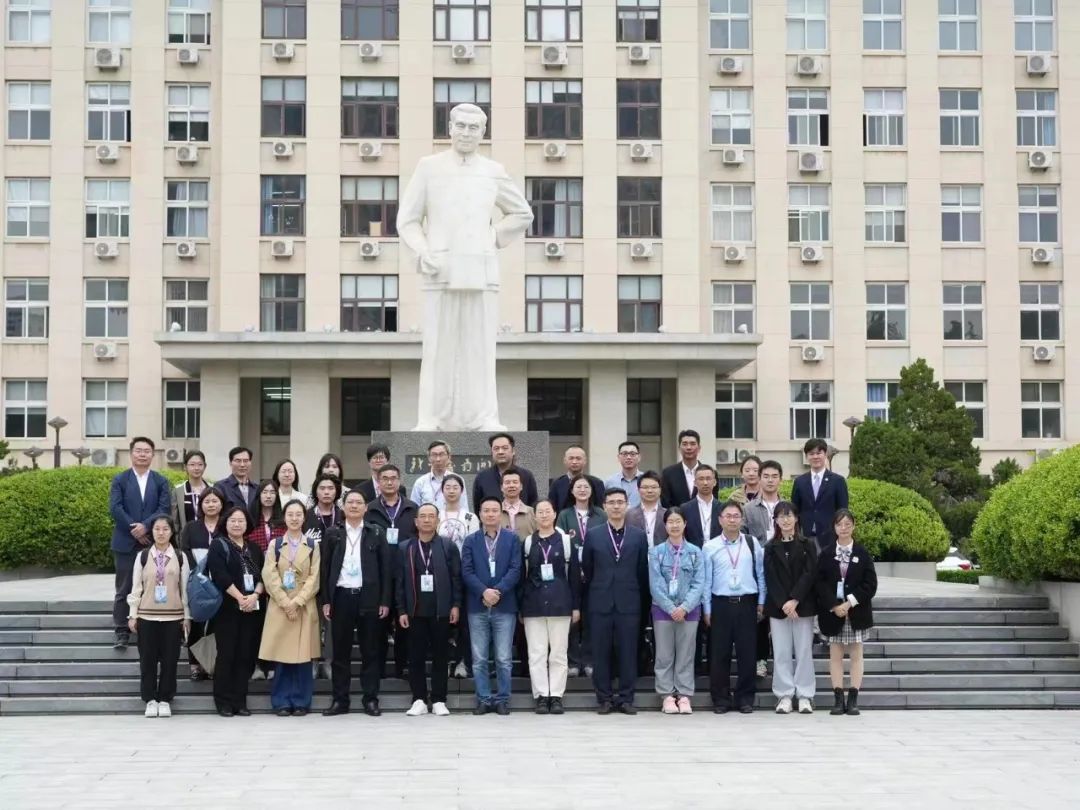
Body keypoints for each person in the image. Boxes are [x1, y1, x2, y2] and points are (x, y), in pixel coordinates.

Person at [397, 101, 533, 431]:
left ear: (483, 133)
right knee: (437, 349)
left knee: (480, 350)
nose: (467, 133)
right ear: (450, 128)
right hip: (439, 269)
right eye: (461, 126)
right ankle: (430, 419)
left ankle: (486, 418)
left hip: (481, 271)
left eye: (474, 128)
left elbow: (522, 214)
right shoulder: (429, 167)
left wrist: (491, 237)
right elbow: (408, 220)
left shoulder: (493, 171)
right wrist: (422, 249)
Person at [320, 489, 391, 717]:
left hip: (368, 597)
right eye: (349, 502)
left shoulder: (376, 533)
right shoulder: (332, 533)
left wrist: (384, 600)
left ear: (366, 508)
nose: (353, 506)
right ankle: (340, 700)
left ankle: (370, 699)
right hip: (341, 596)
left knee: (370, 651)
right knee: (340, 653)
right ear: (343, 507)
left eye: (358, 502)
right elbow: (325, 569)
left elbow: (385, 571)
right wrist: (326, 600)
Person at [582, 488, 649, 714]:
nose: (616, 506)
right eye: (612, 502)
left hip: (629, 602)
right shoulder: (594, 534)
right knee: (601, 653)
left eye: (621, 502)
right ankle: (604, 698)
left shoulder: (638, 535)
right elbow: (588, 569)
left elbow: (642, 571)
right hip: (600, 601)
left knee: (628, 652)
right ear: (605, 506)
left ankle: (626, 698)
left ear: (627, 505)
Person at [397, 503, 462, 716]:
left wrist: (455, 605)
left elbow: (456, 578)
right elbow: (399, 581)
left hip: (440, 610)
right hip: (415, 611)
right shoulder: (405, 547)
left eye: (431, 516)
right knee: (415, 657)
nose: (426, 520)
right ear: (416, 522)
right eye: (422, 516)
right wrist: (401, 610)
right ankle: (418, 699)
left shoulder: (447, 546)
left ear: (437, 521)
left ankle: (439, 699)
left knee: (440, 656)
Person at [702, 500, 765, 714]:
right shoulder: (710, 547)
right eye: (727, 516)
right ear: (720, 520)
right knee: (719, 654)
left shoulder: (751, 543)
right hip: (720, 604)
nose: (732, 519)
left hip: (747, 602)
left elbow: (761, 574)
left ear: (742, 519)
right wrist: (707, 609)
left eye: (736, 516)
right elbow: (706, 581)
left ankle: (745, 698)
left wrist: (761, 601)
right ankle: (720, 699)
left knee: (748, 653)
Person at [259, 500, 321, 716]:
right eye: (290, 514)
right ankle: (282, 701)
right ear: (284, 517)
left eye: (298, 514)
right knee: (282, 657)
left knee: (303, 658)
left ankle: (302, 701)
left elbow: (315, 578)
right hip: (280, 607)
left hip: (304, 607)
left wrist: (298, 602)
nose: (294, 518)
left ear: (304, 518)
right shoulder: (275, 545)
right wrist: (286, 602)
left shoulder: (313, 545)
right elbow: (269, 575)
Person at [461, 497, 522, 715]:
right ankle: (484, 698)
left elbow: (516, 569)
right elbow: (466, 571)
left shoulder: (512, 539)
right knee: (479, 658)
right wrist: (484, 591)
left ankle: (503, 699)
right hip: (477, 606)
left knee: (504, 658)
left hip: (504, 606)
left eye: (494, 510)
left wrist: (498, 591)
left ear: (501, 513)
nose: (490, 514)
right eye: (486, 510)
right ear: (480, 513)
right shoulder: (471, 540)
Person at [109, 437, 171, 649]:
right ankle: (121, 630)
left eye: (147, 451)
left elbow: (163, 508)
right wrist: (134, 530)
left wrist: (146, 526)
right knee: (124, 587)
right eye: (138, 450)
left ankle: (148, 626)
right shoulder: (120, 479)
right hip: (125, 542)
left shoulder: (160, 481)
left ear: (153, 455)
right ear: (131, 453)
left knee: (153, 584)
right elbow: (116, 508)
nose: (142, 454)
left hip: (151, 542)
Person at [127, 515, 191, 718]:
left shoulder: (180, 556)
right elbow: (136, 587)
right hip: (146, 616)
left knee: (170, 660)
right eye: (157, 529)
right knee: (147, 660)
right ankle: (150, 699)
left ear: (172, 532)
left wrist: (187, 617)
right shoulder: (143, 556)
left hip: (173, 617)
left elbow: (185, 590)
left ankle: (165, 699)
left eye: (165, 529)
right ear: (151, 532)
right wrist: (132, 614)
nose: (161, 533)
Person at [520, 500, 579, 714]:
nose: (544, 515)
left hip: (560, 603)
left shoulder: (564, 541)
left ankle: (556, 695)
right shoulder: (528, 543)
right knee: (536, 653)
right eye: (540, 512)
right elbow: (522, 577)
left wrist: (576, 607)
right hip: (533, 605)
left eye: (548, 511)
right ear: (534, 516)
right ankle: (541, 696)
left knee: (558, 653)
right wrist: (521, 608)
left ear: (555, 514)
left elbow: (574, 576)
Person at [817, 509, 877, 717]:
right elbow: (820, 584)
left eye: (847, 524)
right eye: (839, 524)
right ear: (834, 527)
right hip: (833, 613)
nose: (843, 528)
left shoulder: (862, 553)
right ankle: (837, 697)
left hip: (856, 611)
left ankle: (853, 698)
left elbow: (870, 584)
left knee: (856, 655)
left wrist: (849, 603)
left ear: (853, 526)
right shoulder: (825, 553)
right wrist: (834, 605)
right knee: (835, 654)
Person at [207, 506, 265, 717]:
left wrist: (254, 596)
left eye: (241, 521)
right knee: (227, 655)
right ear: (225, 523)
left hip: (253, 609)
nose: (237, 524)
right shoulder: (219, 545)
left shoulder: (255, 548)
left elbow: (263, 577)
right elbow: (220, 576)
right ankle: (223, 701)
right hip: (228, 610)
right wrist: (240, 597)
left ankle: (240, 701)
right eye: (233, 520)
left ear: (247, 524)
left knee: (245, 656)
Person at [648, 508, 706, 715]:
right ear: (665, 525)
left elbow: (699, 583)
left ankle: (683, 695)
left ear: (685, 524)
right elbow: (655, 584)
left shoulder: (695, 552)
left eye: (678, 521)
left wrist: (684, 607)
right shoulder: (656, 553)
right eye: (670, 521)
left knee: (686, 655)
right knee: (664, 655)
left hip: (689, 612)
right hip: (663, 612)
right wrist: (672, 608)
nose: (674, 525)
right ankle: (666, 695)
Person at [366, 464, 420, 679]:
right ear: (378, 482)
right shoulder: (369, 510)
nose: (389, 482)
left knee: (404, 622)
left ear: (399, 481)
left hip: (406, 573)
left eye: (393, 478)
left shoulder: (412, 508)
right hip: (377, 575)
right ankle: (377, 668)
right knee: (378, 624)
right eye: (384, 478)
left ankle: (402, 666)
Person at [764, 501, 818, 715]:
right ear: (775, 520)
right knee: (781, 652)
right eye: (781, 516)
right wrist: (784, 603)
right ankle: (784, 695)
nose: (785, 520)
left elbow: (810, 574)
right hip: (779, 609)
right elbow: (770, 578)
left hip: (802, 607)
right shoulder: (770, 547)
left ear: (796, 519)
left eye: (789, 515)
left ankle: (805, 695)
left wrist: (795, 599)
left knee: (804, 651)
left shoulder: (807, 545)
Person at [556, 475, 605, 678]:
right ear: (572, 491)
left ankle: (590, 660)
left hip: (596, 574)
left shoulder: (601, 515)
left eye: (586, 486)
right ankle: (573, 661)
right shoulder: (564, 515)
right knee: (573, 619)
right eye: (578, 486)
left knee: (592, 618)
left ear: (592, 491)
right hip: (571, 574)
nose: (582, 490)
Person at [178, 485, 226, 680]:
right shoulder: (191, 527)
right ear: (200, 504)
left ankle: (211, 664)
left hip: (220, 582)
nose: (211, 505)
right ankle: (195, 665)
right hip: (196, 580)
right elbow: (185, 551)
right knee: (197, 622)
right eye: (207, 501)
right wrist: (199, 572)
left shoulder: (226, 525)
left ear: (222, 504)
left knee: (217, 624)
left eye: (215, 501)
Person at [744, 459, 783, 678]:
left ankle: (781, 660)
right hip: (758, 570)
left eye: (774, 476)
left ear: (780, 479)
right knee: (760, 618)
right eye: (765, 476)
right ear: (759, 479)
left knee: (780, 617)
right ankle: (760, 660)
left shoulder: (787, 508)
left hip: (783, 570)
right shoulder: (749, 509)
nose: (769, 480)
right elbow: (743, 537)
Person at [438, 473, 479, 679]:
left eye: (456, 487)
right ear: (442, 491)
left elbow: (474, 548)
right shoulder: (436, 515)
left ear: (462, 491)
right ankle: (444, 660)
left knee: (464, 622)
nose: (452, 490)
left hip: (464, 576)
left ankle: (463, 661)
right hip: (440, 577)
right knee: (443, 622)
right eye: (448, 487)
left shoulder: (470, 518)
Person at [792, 438, 849, 552]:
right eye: (811, 454)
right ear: (807, 456)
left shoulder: (838, 481)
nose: (815, 457)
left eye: (819, 453)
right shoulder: (799, 481)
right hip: (805, 537)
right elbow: (794, 510)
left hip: (830, 537)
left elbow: (842, 511)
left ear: (825, 454)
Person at [472, 432, 539, 507]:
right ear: (491, 452)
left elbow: (533, 505)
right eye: (496, 448)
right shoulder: (482, 477)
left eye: (505, 448)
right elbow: (478, 508)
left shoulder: (526, 475)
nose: (500, 452)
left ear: (513, 451)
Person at [410, 440, 468, 512]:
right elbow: (414, 510)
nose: (438, 459)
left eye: (441, 454)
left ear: (449, 457)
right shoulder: (420, 482)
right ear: (429, 458)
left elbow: (464, 507)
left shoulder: (458, 480)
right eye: (434, 455)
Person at [661, 429, 713, 508]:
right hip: (677, 519)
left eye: (692, 444)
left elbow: (713, 502)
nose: (688, 447)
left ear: (699, 448)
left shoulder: (710, 473)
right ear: (679, 448)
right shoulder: (668, 474)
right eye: (684, 444)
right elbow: (666, 503)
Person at [548, 445, 605, 512]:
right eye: (571, 458)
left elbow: (601, 509)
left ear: (585, 461)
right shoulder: (557, 484)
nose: (574, 462)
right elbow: (552, 509)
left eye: (578, 458)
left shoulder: (597, 483)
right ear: (565, 461)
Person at [680, 464, 721, 548]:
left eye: (708, 479)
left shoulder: (722, 508)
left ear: (714, 482)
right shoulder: (685, 508)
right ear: (695, 482)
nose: (705, 483)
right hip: (693, 555)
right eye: (701, 479)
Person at [170, 450, 210, 531]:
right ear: (185, 467)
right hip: (186, 538)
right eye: (192, 464)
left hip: (210, 537)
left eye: (200, 464)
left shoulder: (211, 489)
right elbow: (175, 521)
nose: (196, 468)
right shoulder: (178, 491)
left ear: (205, 466)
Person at [626, 471, 668, 545]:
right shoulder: (629, 515)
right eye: (645, 487)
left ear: (660, 490)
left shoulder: (667, 514)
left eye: (654, 487)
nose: (649, 491)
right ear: (638, 490)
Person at [218, 446, 259, 519]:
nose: (242, 465)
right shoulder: (221, 487)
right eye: (238, 461)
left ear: (250, 463)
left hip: (253, 530)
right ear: (230, 463)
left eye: (246, 461)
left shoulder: (257, 488)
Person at [246, 480, 284, 554]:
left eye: (272, 492)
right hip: (255, 561)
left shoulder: (283, 520)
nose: (268, 496)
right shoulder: (250, 519)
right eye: (265, 492)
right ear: (259, 495)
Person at [604, 441, 645, 508]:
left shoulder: (646, 480)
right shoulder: (609, 481)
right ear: (618, 457)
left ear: (639, 457)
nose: (628, 457)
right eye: (625, 454)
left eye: (632, 454)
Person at [500, 467, 536, 540]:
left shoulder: (532, 513)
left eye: (515, 482)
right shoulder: (495, 512)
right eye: (507, 482)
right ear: (501, 487)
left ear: (521, 486)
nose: (511, 485)